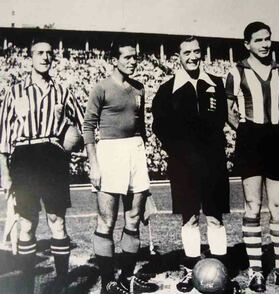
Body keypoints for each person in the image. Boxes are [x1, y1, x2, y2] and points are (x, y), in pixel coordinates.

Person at [0, 38, 84, 294]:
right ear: (30, 57)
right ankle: (26, 282)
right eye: (39, 53)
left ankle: (61, 282)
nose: (45, 57)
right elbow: (3, 135)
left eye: (49, 53)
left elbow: (82, 126)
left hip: (52, 155)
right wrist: (4, 172)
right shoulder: (15, 91)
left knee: (57, 219)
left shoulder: (62, 91)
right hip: (24, 157)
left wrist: (70, 141)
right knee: (27, 222)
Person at [152, 36, 230, 293]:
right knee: (190, 219)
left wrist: (209, 154)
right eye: (187, 53)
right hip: (183, 165)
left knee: (215, 217)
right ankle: (190, 270)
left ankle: (220, 268)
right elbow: (160, 128)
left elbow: (220, 121)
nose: (193, 57)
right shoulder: (167, 89)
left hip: (213, 162)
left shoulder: (215, 83)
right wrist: (184, 154)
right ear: (179, 56)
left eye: (197, 52)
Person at [83, 40, 158, 294]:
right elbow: (88, 128)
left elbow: (142, 129)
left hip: (135, 151)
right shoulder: (101, 88)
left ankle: (127, 279)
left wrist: (143, 163)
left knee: (134, 219)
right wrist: (94, 164)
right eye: (126, 57)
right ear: (115, 59)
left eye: (135, 57)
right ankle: (108, 282)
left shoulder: (140, 88)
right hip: (109, 152)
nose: (132, 61)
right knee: (107, 221)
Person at [225, 22, 279, 292]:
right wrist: (245, 129)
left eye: (268, 39)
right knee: (253, 207)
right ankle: (256, 271)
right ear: (247, 44)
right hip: (251, 141)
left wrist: (277, 130)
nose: (265, 44)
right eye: (259, 40)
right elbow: (228, 109)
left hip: (277, 141)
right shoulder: (236, 70)